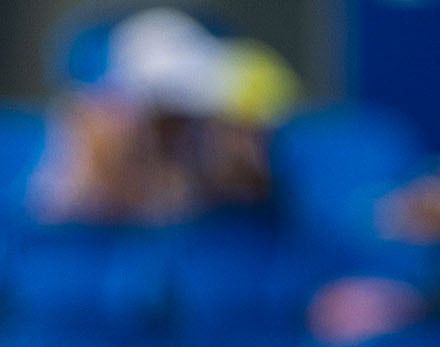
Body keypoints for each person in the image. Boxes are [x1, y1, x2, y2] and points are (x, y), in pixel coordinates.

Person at [32, 4, 282, 227]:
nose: (170, 131)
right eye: (160, 115)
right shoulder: (88, 146)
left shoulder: (225, 151)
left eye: (182, 115)